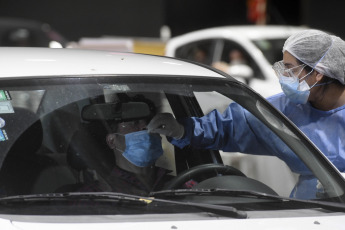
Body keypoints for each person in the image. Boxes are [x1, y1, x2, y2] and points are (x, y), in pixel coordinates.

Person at [147, 29, 345, 199]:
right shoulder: (285, 111)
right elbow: (232, 125)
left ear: (318, 73)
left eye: (290, 69)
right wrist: (183, 129)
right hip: (310, 211)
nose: (285, 77)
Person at [78, 94, 173, 196]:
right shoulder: (95, 196)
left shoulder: (180, 184)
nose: (145, 127)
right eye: (134, 123)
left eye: (150, 122)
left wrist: (182, 132)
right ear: (111, 141)